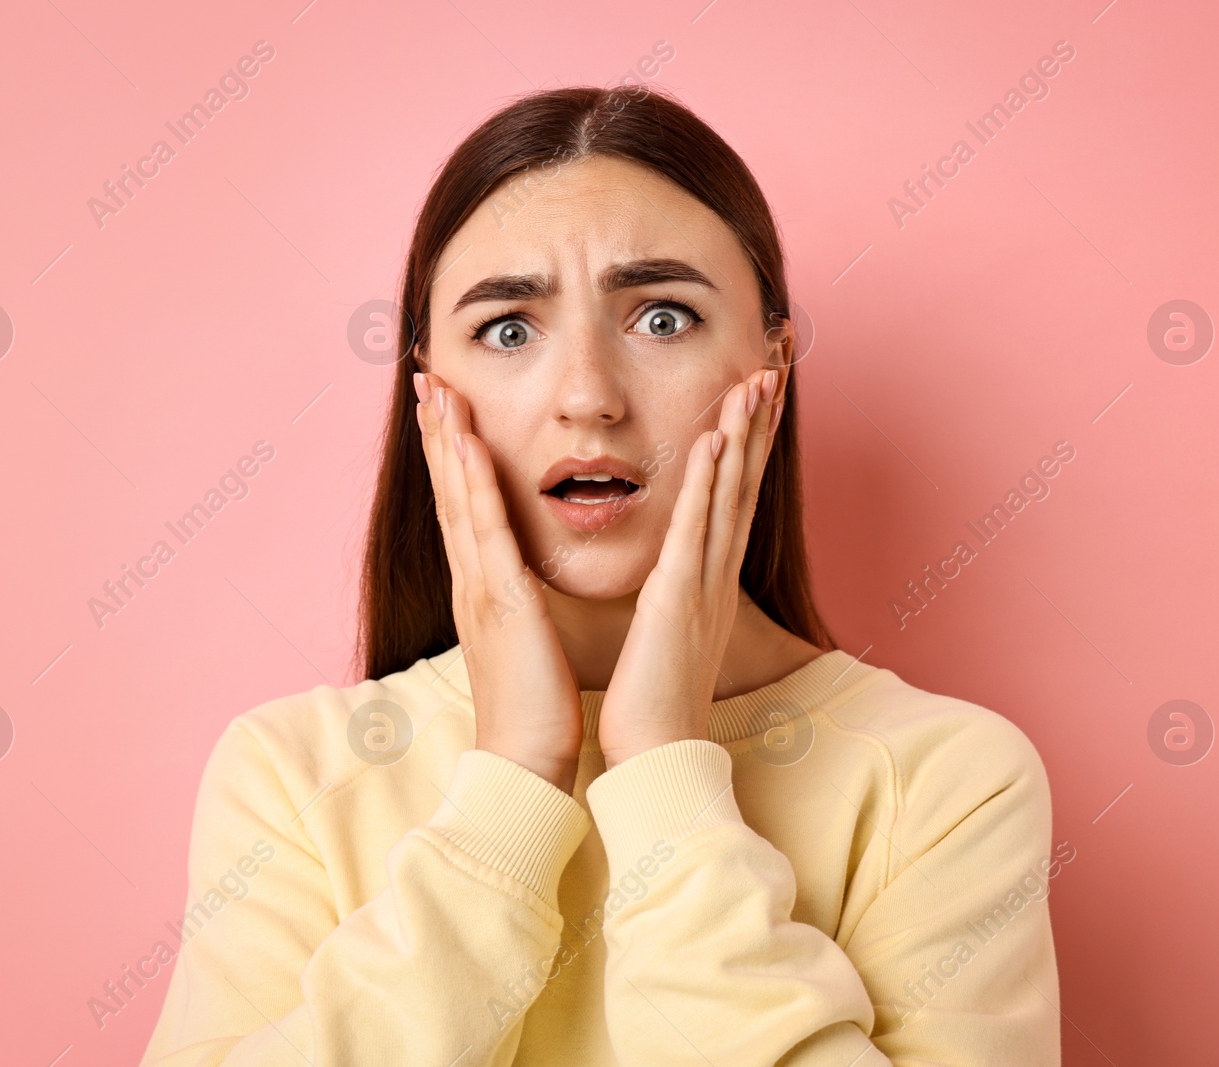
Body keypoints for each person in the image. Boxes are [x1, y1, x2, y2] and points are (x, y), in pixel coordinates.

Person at [140, 84, 1061, 1066]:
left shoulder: (949, 780)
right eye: (507, 328)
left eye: (662, 317)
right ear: (428, 393)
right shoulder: (291, 774)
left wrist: (665, 766)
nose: (587, 397)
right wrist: (511, 782)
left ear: (773, 368)